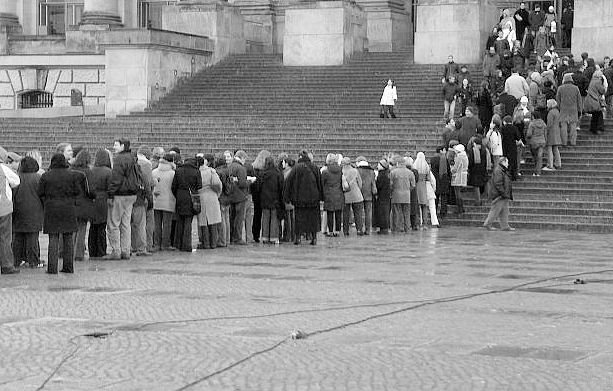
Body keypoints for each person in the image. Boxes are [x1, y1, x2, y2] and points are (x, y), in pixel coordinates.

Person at [38, 154, 86, 274]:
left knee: (53, 238)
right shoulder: (72, 175)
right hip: (68, 208)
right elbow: (78, 191)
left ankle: (52, 268)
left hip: (51, 208)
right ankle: (68, 267)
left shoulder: (46, 176)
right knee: (68, 238)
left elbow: (40, 192)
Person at [106, 138, 139, 260]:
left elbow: (116, 178)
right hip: (131, 194)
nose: (114, 147)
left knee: (114, 223)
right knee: (126, 224)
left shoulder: (119, 159)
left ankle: (116, 250)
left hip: (120, 194)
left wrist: (110, 194)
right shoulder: (132, 157)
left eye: (116, 145)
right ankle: (125, 250)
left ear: (123, 146)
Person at [283, 150, 323, 245]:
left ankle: (298, 238)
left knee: (299, 218)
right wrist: (321, 196)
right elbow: (319, 183)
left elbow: (288, 182)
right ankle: (314, 238)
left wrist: (287, 197)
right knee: (313, 218)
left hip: (299, 199)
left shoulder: (296, 168)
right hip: (313, 198)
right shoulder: (315, 167)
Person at [12, 156, 43, 269]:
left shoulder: (16, 177)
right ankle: (33, 260)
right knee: (32, 238)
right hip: (35, 211)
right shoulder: (38, 178)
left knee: (18, 237)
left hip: (18, 210)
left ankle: (16, 259)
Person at [171, 156, 201, 252]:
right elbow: (199, 185)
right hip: (191, 196)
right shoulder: (196, 171)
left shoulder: (178, 170)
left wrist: (178, 194)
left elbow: (173, 186)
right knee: (188, 221)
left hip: (180, 195)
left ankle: (178, 244)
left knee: (180, 220)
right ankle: (186, 245)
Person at [88, 149, 112, 258]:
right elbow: (110, 187)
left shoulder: (91, 170)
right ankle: (101, 251)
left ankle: (92, 250)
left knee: (93, 227)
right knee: (102, 227)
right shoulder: (108, 171)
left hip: (92, 200)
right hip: (103, 200)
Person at [71, 150, 94, 262]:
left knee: (72, 230)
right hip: (84, 203)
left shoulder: (71, 170)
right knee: (82, 229)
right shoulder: (88, 172)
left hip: (71, 203)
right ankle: (79, 254)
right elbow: (91, 190)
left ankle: (69, 252)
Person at [196, 154, 222, 249]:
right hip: (212, 196)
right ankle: (213, 243)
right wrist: (217, 194)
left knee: (203, 222)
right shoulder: (211, 171)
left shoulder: (197, 172)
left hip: (201, 196)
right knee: (213, 221)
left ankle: (205, 243)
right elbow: (218, 184)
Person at [257, 156, 284, 244]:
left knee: (265, 218)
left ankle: (264, 237)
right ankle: (273, 237)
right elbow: (281, 187)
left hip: (264, 199)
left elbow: (259, 187)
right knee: (274, 218)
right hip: (275, 199)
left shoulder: (262, 173)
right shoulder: (278, 173)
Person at [483, 157, 515, 231]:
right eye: (507, 162)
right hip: (500, 195)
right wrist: (503, 193)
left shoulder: (502, 170)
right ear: (503, 162)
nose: (508, 164)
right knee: (495, 210)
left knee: (504, 211)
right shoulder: (499, 171)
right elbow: (498, 183)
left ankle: (505, 226)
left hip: (504, 195)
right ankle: (488, 224)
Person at [152, 153, 176, 251]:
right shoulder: (173, 173)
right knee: (167, 224)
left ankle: (157, 243)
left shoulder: (154, 172)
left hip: (156, 200)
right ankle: (165, 244)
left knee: (157, 224)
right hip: (169, 201)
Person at [227, 150, 249, 245]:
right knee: (239, 218)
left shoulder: (230, 166)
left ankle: (231, 236)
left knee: (232, 217)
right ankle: (238, 238)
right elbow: (242, 183)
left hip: (231, 195)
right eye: (244, 159)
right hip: (240, 196)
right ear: (242, 158)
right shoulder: (241, 168)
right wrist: (250, 181)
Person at [389, 155, 415, 232]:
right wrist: (408, 190)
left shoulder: (393, 172)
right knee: (406, 213)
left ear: (397, 163)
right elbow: (413, 185)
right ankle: (407, 228)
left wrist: (392, 191)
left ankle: (396, 228)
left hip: (396, 194)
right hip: (407, 195)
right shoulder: (410, 172)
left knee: (396, 213)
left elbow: (390, 184)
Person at [413, 152, 439, 228]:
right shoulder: (426, 167)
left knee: (418, 206)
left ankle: (419, 222)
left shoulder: (414, 166)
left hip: (417, 186)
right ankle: (425, 223)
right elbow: (430, 179)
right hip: (425, 186)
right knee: (425, 206)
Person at [321, 153, 343, 237]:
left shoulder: (325, 172)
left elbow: (322, 184)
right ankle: (337, 231)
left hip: (328, 194)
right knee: (338, 213)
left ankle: (330, 231)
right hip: (339, 193)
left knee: (330, 213)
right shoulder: (340, 170)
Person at [556, 73, 582, 146]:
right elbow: (579, 100)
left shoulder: (560, 88)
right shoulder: (576, 88)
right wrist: (580, 110)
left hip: (563, 109)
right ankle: (573, 142)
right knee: (573, 126)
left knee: (563, 126)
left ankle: (564, 142)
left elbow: (558, 100)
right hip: (574, 109)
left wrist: (558, 108)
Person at [341, 157, 365, 236]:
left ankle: (345, 231)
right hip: (356, 195)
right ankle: (359, 229)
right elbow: (360, 183)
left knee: (346, 215)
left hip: (345, 196)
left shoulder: (341, 172)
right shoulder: (355, 171)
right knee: (358, 214)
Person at [356, 156, 376, 235]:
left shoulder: (357, 170)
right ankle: (368, 229)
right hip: (368, 193)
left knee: (359, 212)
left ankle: (360, 229)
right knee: (368, 212)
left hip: (359, 193)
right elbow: (373, 183)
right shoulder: (371, 172)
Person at [584, 70, 607, 134]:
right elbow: (602, 90)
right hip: (595, 100)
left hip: (591, 99)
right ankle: (598, 128)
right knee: (598, 114)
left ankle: (592, 128)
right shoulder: (598, 81)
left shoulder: (592, 81)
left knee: (595, 115)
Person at [467, 136, 488, 206]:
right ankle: (487, 198)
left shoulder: (473, 150)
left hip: (475, 170)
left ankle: (478, 201)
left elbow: (470, 161)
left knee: (476, 186)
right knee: (485, 183)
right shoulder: (484, 150)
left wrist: (469, 168)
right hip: (483, 169)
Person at [501, 115, 523, 180]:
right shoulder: (514, 128)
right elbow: (518, 137)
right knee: (513, 161)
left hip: (504, 146)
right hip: (512, 146)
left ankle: (505, 175)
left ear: (505, 121)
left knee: (505, 161)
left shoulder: (503, 128)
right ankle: (513, 176)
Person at [525, 110, 546, 176]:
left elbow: (529, 134)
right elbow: (545, 133)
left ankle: (536, 170)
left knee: (535, 157)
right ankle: (538, 172)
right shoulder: (543, 123)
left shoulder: (532, 124)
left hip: (533, 142)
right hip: (542, 142)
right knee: (540, 157)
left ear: (533, 116)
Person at [373, 159, 391, 234]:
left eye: (379, 165)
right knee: (385, 211)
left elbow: (379, 185)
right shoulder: (386, 174)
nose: (377, 166)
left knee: (382, 212)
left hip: (382, 196)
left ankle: (383, 228)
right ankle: (385, 227)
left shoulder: (381, 175)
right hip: (386, 195)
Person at [450, 144, 468, 215]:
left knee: (457, 193)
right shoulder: (465, 156)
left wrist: (451, 168)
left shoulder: (459, 157)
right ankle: (461, 208)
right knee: (458, 192)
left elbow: (455, 168)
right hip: (463, 174)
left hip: (458, 175)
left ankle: (460, 208)